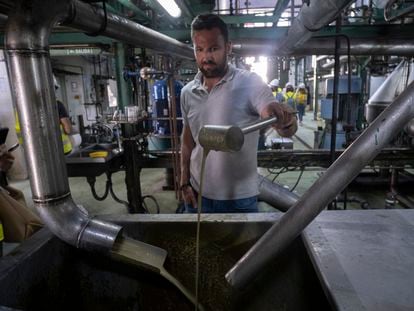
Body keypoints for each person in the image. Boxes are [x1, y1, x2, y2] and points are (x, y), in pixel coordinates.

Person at [180, 14, 297, 213]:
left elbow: (272, 112)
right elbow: (188, 141)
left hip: (240, 199)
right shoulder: (187, 92)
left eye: (213, 49)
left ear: (228, 47)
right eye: (199, 49)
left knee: (246, 246)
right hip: (198, 195)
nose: (206, 57)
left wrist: (284, 122)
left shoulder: (249, 83)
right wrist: (183, 181)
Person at [15, 75, 73, 154]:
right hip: (59, 150)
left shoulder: (20, 108)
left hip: (34, 154)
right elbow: (68, 130)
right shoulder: (57, 104)